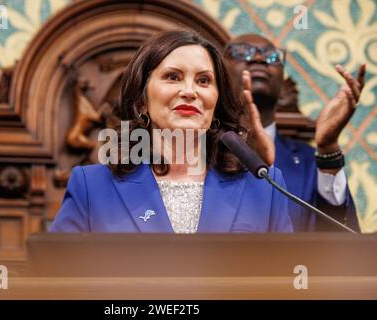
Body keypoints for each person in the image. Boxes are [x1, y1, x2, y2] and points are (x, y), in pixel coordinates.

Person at [50, 30, 293, 233]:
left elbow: (285, 280)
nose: (190, 91)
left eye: (204, 81)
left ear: (216, 102)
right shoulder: (92, 187)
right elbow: (56, 277)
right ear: (142, 101)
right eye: (173, 77)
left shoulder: (264, 188)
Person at [225, 34, 365, 232]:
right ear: (219, 74)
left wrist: (328, 149)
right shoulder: (199, 154)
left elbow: (342, 244)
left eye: (272, 56)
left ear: (283, 83)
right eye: (242, 52)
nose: (258, 59)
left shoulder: (309, 162)